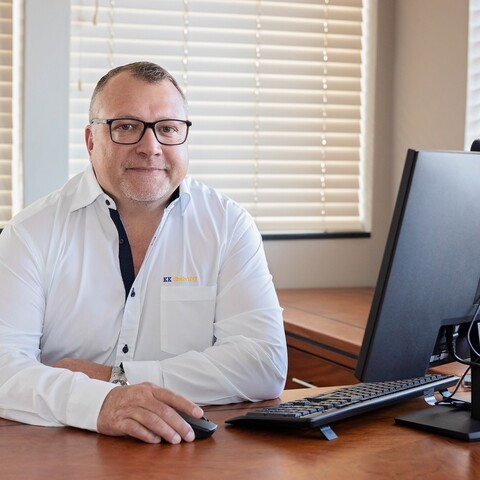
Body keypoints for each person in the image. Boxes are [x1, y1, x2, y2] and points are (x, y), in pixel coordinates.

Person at [0, 61, 287, 444]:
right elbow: (4, 368)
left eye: (167, 129)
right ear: (91, 141)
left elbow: (263, 363)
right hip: (63, 449)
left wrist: (116, 380)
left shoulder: (228, 225)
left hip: (190, 450)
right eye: (126, 127)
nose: (150, 147)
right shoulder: (30, 232)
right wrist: (100, 405)